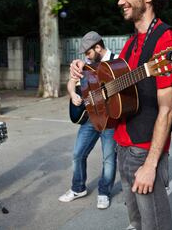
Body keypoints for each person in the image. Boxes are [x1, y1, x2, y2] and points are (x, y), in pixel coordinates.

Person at [70, 0, 172, 229]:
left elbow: (167, 111)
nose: (120, 1)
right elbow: (109, 81)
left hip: (144, 150)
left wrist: (151, 165)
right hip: (123, 144)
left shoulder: (166, 42)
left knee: (154, 223)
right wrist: (83, 70)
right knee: (136, 222)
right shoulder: (133, 42)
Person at [59, 31, 117, 209]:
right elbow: (71, 82)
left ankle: (104, 192)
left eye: (88, 52)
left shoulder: (117, 62)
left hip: (110, 119)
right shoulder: (87, 64)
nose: (86, 56)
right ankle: (78, 188)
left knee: (108, 159)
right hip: (90, 118)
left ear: (98, 47)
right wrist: (72, 94)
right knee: (78, 154)